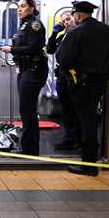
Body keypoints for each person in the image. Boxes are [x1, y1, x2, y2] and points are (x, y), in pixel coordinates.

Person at [57, 1, 109, 176]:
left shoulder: (76, 32)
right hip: (100, 83)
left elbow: (63, 58)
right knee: (92, 119)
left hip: (81, 84)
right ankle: (92, 158)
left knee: (86, 122)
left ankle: (89, 164)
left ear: (78, 15)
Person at [0, 0, 48, 155]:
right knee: (25, 110)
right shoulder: (24, 25)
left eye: (23, 6)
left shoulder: (35, 25)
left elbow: (34, 47)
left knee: (28, 111)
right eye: (18, 7)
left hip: (33, 72)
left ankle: (30, 150)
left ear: (32, 8)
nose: (19, 9)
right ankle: (27, 146)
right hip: (26, 70)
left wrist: (11, 49)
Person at [46, 11, 80, 150]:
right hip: (62, 77)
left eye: (68, 19)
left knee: (76, 109)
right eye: (63, 21)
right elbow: (50, 50)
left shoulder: (78, 34)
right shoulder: (62, 36)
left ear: (74, 18)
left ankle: (78, 139)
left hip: (74, 77)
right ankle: (70, 138)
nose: (66, 22)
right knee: (66, 109)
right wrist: (54, 34)